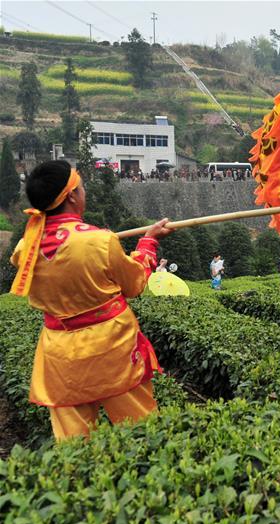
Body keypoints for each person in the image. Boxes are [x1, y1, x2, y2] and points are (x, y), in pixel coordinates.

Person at [9, 160, 173, 441]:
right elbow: (134, 284)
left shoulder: (25, 247)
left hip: (60, 355)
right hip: (113, 349)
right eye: (82, 187)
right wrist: (148, 242)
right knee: (141, 433)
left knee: (74, 445)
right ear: (72, 195)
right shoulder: (100, 241)